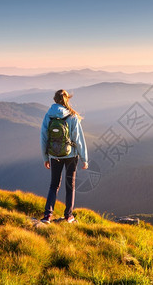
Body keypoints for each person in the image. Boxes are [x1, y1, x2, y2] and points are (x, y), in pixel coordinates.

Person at [40, 89, 88, 224]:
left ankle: (47, 216)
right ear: (67, 99)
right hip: (71, 155)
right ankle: (68, 216)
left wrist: (45, 157)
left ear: (54, 100)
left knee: (53, 185)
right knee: (70, 185)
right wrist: (85, 159)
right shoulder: (72, 116)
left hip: (54, 155)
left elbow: (43, 138)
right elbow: (79, 140)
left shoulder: (48, 116)